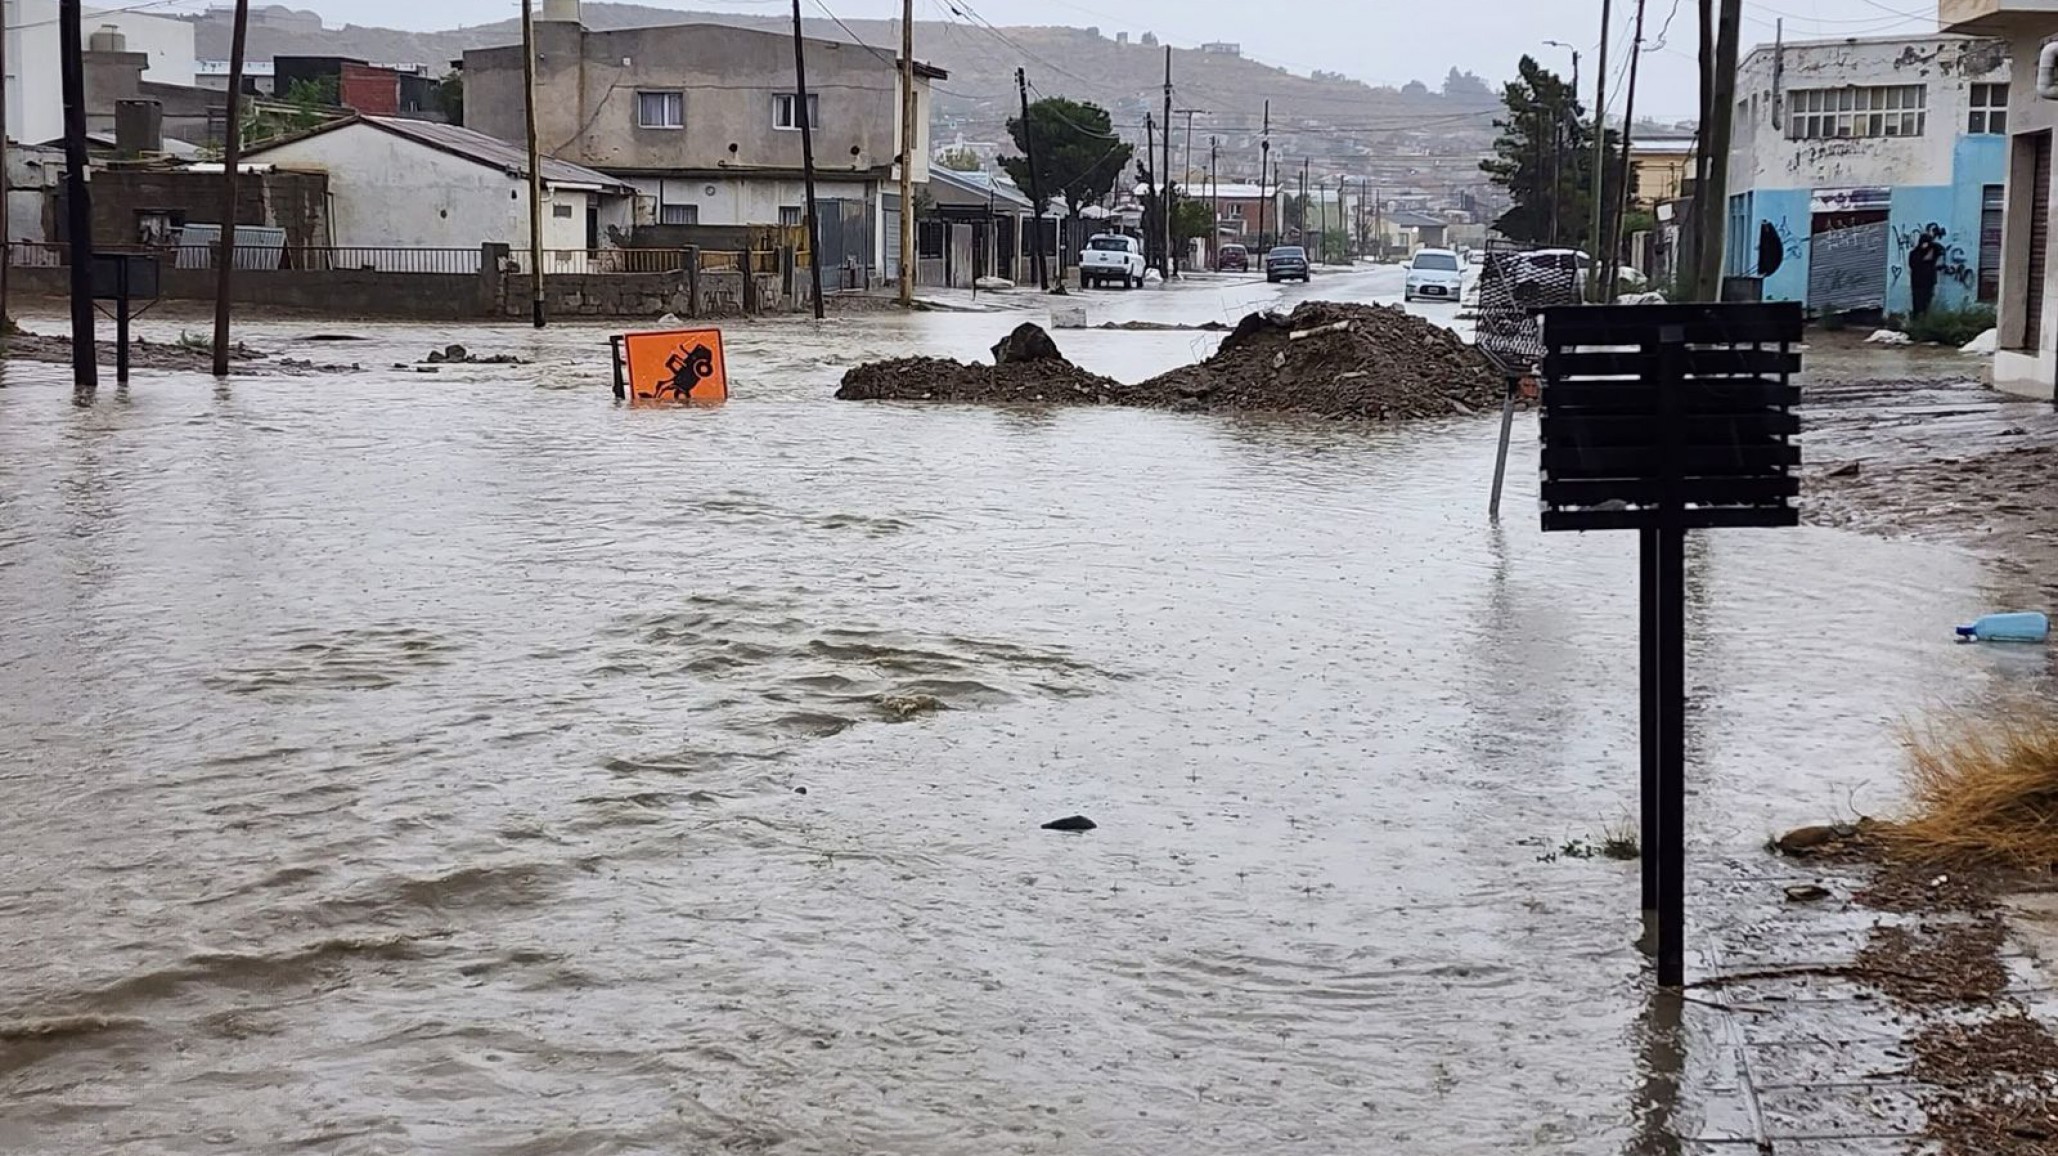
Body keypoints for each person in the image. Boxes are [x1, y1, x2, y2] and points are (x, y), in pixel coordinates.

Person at [1909, 227, 1944, 317]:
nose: (1925, 245)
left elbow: (1939, 249)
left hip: (1929, 281)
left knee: (1927, 302)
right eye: (1924, 243)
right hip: (1917, 282)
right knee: (1917, 302)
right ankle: (1917, 318)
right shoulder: (1914, 253)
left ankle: (1925, 318)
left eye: (1927, 243)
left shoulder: (1933, 251)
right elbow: (1913, 265)